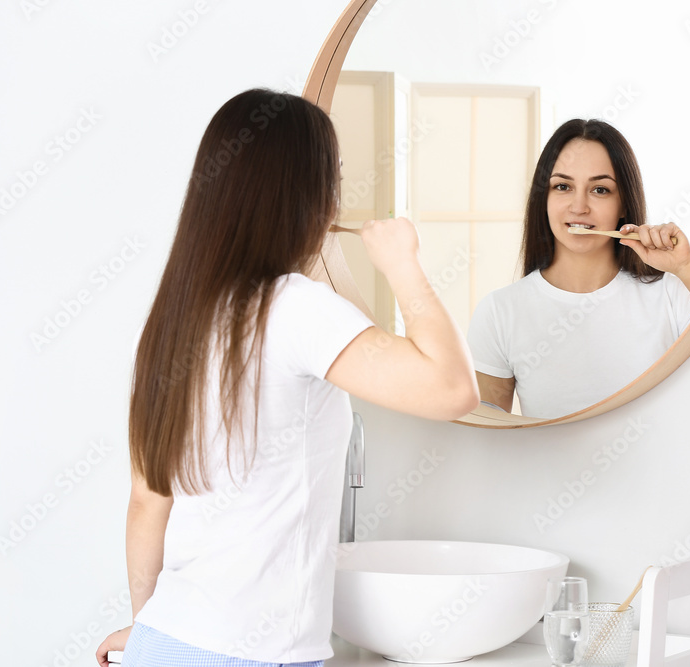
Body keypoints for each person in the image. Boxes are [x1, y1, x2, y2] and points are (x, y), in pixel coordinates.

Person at [95, 88, 478, 667]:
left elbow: (148, 502)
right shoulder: (297, 308)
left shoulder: (163, 328)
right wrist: (404, 264)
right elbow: (453, 390)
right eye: (333, 182)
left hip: (163, 642)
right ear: (303, 198)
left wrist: (143, 623)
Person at [467, 119, 690, 419]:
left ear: (624, 203)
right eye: (562, 187)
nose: (579, 206)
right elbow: (490, 433)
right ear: (543, 198)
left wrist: (687, 266)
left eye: (599, 189)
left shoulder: (672, 294)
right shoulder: (499, 312)